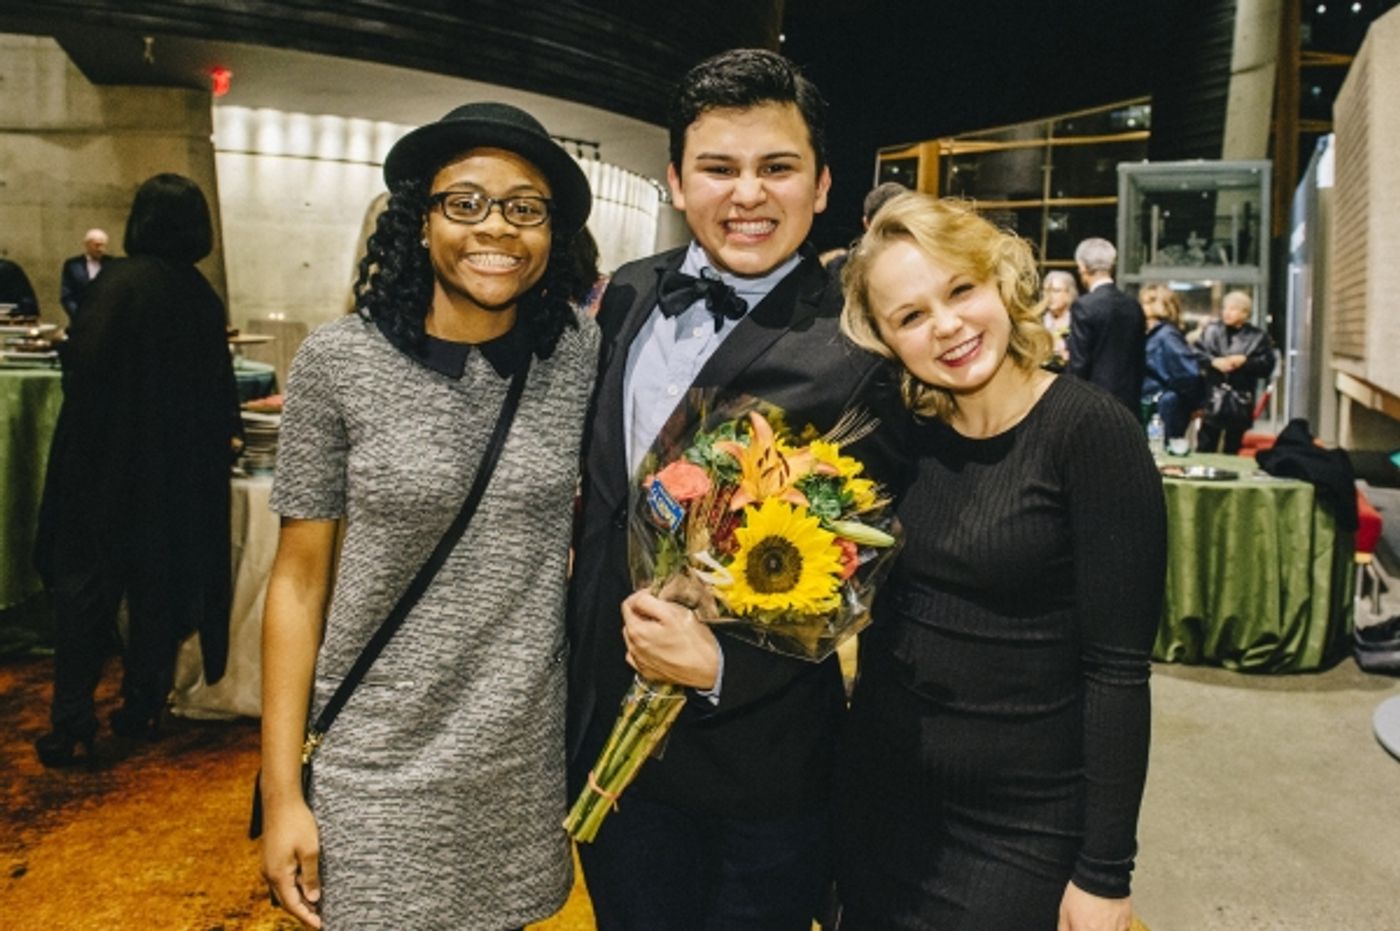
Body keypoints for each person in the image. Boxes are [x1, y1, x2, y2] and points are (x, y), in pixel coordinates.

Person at [567, 48, 907, 931]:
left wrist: (724, 667)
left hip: (765, 767)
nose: (747, 193)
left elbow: (887, 559)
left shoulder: (864, 340)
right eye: (719, 168)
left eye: (776, 168)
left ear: (823, 184)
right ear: (677, 180)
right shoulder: (626, 297)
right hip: (611, 747)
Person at [257, 101, 598, 930]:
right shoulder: (339, 363)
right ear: (419, 221)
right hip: (372, 764)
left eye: (525, 207)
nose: (497, 228)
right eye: (466, 202)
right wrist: (281, 795)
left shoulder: (577, 357)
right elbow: (298, 584)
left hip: (515, 767)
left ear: (551, 235)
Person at [836, 194, 1166, 931]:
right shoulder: (898, 435)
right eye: (911, 315)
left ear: (1000, 281)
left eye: (960, 290)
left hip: (1020, 831)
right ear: (888, 340)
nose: (947, 325)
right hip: (878, 808)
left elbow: (1117, 671)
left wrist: (1105, 873)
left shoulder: (1091, 434)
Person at [33, 175, 241, 765]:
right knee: (157, 592)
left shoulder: (117, 284)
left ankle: (73, 722)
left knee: (86, 595)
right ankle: (142, 706)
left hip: (104, 466)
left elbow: (85, 368)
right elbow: (216, 395)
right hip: (173, 474)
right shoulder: (202, 298)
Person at [1066, 237, 1146, 413]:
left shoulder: (1084, 306)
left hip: (1094, 403)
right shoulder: (1133, 305)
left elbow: (1079, 364)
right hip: (1129, 401)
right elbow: (1140, 358)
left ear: (1082, 267)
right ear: (1112, 266)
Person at [1194, 289, 1275, 453]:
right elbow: (1195, 354)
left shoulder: (1258, 337)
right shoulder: (1212, 331)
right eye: (1225, 308)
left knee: (1234, 446)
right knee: (1206, 444)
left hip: (1240, 398)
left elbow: (1266, 366)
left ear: (1245, 313)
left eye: (1233, 309)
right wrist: (1213, 362)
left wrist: (1245, 362)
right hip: (1212, 396)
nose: (1227, 313)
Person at [1139, 283, 1204, 440]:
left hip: (1164, 407)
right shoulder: (1157, 334)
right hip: (1159, 404)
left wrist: (1193, 403)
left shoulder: (1165, 335)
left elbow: (1189, 374)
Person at [59, 228, 109, 321]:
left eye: (103, 246)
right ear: (87, 244)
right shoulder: (72, 265)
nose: (100, 249)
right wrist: (78, 316)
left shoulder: (111, 263)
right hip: (80, 317)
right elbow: (67, 296)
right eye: (97, 245)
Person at [1040, 268, 1077, 367]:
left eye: (1056, 291)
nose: (1050, 296)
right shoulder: (1038, 322)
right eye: (1047, 291)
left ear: (1069, 293)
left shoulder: (1077, 322)